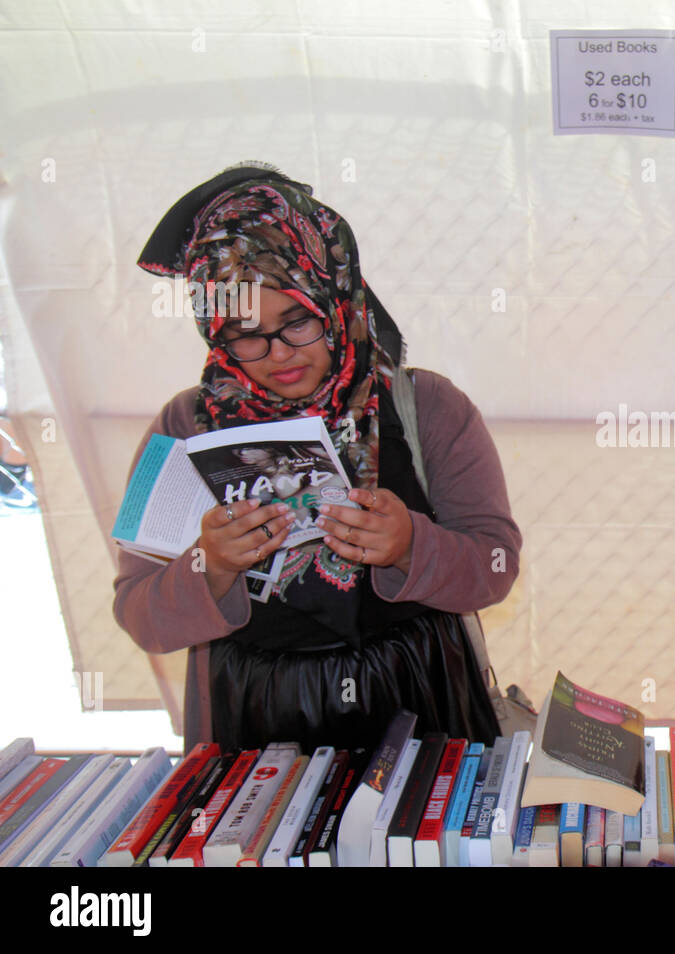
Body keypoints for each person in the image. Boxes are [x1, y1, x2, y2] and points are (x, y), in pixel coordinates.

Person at [113, 163, 521, 753]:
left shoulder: (423, 406)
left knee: (412, 847)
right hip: (254, 719)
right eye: (243, 332)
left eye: (297, 320)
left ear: (334, 295)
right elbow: (139, 615)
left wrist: (412, 544)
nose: (277, 354)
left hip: (419, 702)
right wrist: (211, 565)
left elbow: (498, 567)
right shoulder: (183, 428)